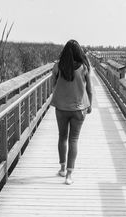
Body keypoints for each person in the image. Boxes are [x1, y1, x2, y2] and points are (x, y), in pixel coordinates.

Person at [50, 39, 93, 185]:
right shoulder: (84, 67)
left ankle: (62, 169)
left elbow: (53, 84)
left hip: (61, 108)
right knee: (73, 140)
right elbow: (90, 89)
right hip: (79, 108)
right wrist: (90, 105)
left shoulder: (58, 66)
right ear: (79, 52)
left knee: (62, 137)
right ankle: (69, 175)